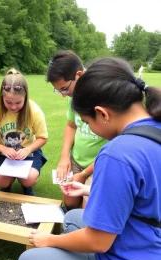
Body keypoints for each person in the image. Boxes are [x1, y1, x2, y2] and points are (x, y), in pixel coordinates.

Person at [17, 57, 161, 260]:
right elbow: (144, 199)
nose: (90, 129)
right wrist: (86, 191)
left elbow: (98, 242)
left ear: (102, 113)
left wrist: (49, 240)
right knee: (74, 217)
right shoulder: (153, 129)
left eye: (86, 122)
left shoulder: (117, 154)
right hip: (150, 252)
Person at [47, 50, 108, 210]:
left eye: (64, 89)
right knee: (70, 202)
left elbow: (113, 147)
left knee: (88, 210)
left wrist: (85, 173)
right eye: (59, 90)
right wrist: (64, 156)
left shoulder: (102, 96)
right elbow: (71, 125)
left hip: (98, 163)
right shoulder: (75, 97)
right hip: (77, 159)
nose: (63, 95)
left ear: (79, 75)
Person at [0, 69, 48, 196]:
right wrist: (2, 148)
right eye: (8, 102)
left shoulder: (34, 110)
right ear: (2, 98)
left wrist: (27, 150)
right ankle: (7, 185)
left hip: (28, 151)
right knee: (2, 181)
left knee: (28, 179)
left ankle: (27, 186)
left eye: (18, 102)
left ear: (25, 97)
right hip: (2, 152)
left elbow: (42, 137)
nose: (13, 107)